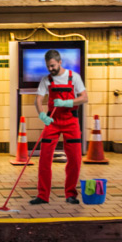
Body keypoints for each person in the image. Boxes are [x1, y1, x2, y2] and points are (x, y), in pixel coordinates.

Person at [30, 49, 88, 205]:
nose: (51, 69)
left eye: (53, 66)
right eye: (48, 66)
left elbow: (84, 98)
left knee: (75, 160)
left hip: (71, 122)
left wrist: (67, 103)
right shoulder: (46, 80)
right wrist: (42, 115)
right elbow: (38, 100)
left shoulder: (74, 77)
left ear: (60, 62)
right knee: (44, 159)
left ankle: (71, 194)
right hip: (53, 122)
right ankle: (43, 195)